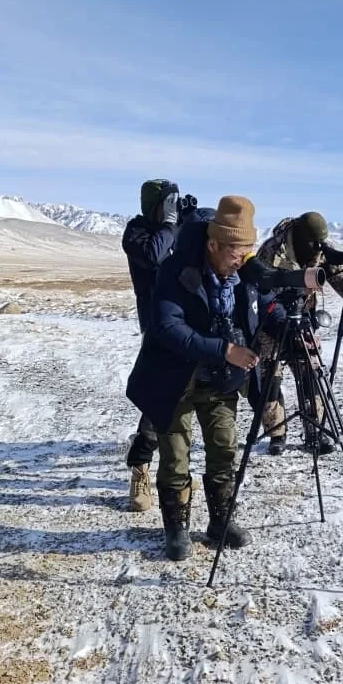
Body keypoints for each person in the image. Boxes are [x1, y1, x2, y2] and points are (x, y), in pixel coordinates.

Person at [125, 195, 286, 561]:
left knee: (224, 448)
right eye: (235, 252)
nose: (242, 260)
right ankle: (176, 529)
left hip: (219, 380)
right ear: (213, 244)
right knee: (175, 455)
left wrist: (288, 321)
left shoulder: (243, 273)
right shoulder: (175, 269)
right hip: (174, 378)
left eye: (246, 252)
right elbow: (167, 327)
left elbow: (267, 303)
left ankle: (220, 521)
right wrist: (225, 350)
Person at [255, 211, 343, 456]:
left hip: (303, 319)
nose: (317, 250)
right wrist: (280, 320)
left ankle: (315, 429)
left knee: (311, 371)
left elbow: (337, 278)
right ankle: (276, 433)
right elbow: (261, 290)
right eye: (313, 244)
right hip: (272, 320)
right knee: (270, 376)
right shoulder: (272, 251)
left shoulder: (318, 250)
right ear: (301, 238)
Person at [120, 179, 213, 512]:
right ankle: (140, 467)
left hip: (186, 324)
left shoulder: (174, 229)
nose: (171, 210)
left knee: (189, 401)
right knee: (159, 397)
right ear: (154, 206)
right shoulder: (137, 232)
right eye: (167, 203)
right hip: (158, 328)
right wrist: (171, 223)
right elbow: (154, 254)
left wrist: (192, 221)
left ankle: (178, 471)